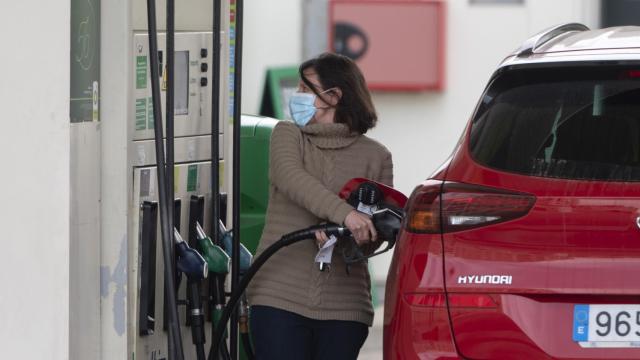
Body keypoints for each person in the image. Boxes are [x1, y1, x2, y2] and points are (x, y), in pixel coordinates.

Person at [247, 52, 393, 360]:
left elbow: (373, 236)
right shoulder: (288, 135)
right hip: (279, 296)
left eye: (304, 89)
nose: (296, 96)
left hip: (345, 307)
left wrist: (353, 237)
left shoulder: (376, 157)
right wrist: (345, 214)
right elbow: (290, 177)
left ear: (333, 95)